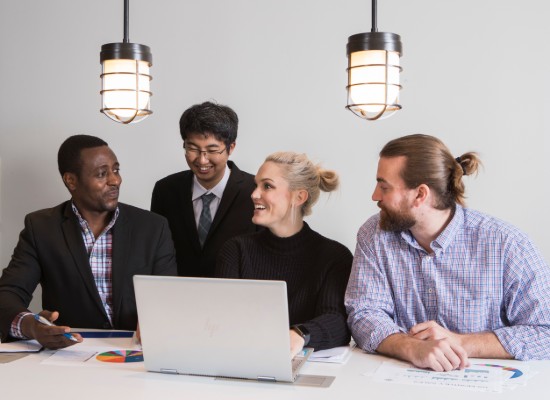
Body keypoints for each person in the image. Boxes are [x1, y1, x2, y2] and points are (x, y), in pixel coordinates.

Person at [345, 133, 550, 372]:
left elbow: (545, 331)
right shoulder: (374, 234)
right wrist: (411, 347)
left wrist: (460, 343)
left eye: (384, 187)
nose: (375, 196)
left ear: (420, 194)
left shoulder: (507, 244)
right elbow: (364, 314)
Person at [0, 135, 177, 349]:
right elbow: (8, 293)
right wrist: (32, 326)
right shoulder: (41, 228)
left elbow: (168, 298)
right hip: (71, 355)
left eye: (116, 170)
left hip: (139, 353)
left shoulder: (153, 227)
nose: (115, 180)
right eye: (102, 174)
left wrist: (157, 321)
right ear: (71, 181)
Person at [216, 152, 352, 357]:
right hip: (240, 362)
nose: (254, 194)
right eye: (256, 185)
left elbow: (337, 321)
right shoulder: (235, 250)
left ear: (299, 197)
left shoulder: (334, 256)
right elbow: (220, 317)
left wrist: (299, 335)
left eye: (267, 186)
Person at [151, 101, 258, 277]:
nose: (202, 160)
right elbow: (157, 252)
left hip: (237, 297)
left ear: (231, 148)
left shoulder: (254, 191)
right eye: (192, 148)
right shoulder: (166, 190)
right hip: (178, 296)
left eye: (212, 150)